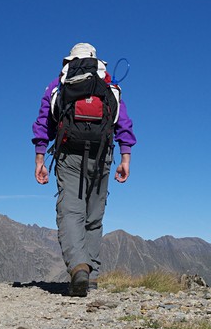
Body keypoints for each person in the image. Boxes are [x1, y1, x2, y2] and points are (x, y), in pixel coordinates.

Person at [32, 43, 136, 297]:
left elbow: (43, 122)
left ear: (69, 61)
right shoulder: (109, 87)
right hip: (103, 155)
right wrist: (126, 158)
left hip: (69, 155)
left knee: (70, 211)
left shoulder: (58, 86)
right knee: (94, 215)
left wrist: (39, 159)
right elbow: (122, 123)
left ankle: (79, 267)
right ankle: (92, 275)